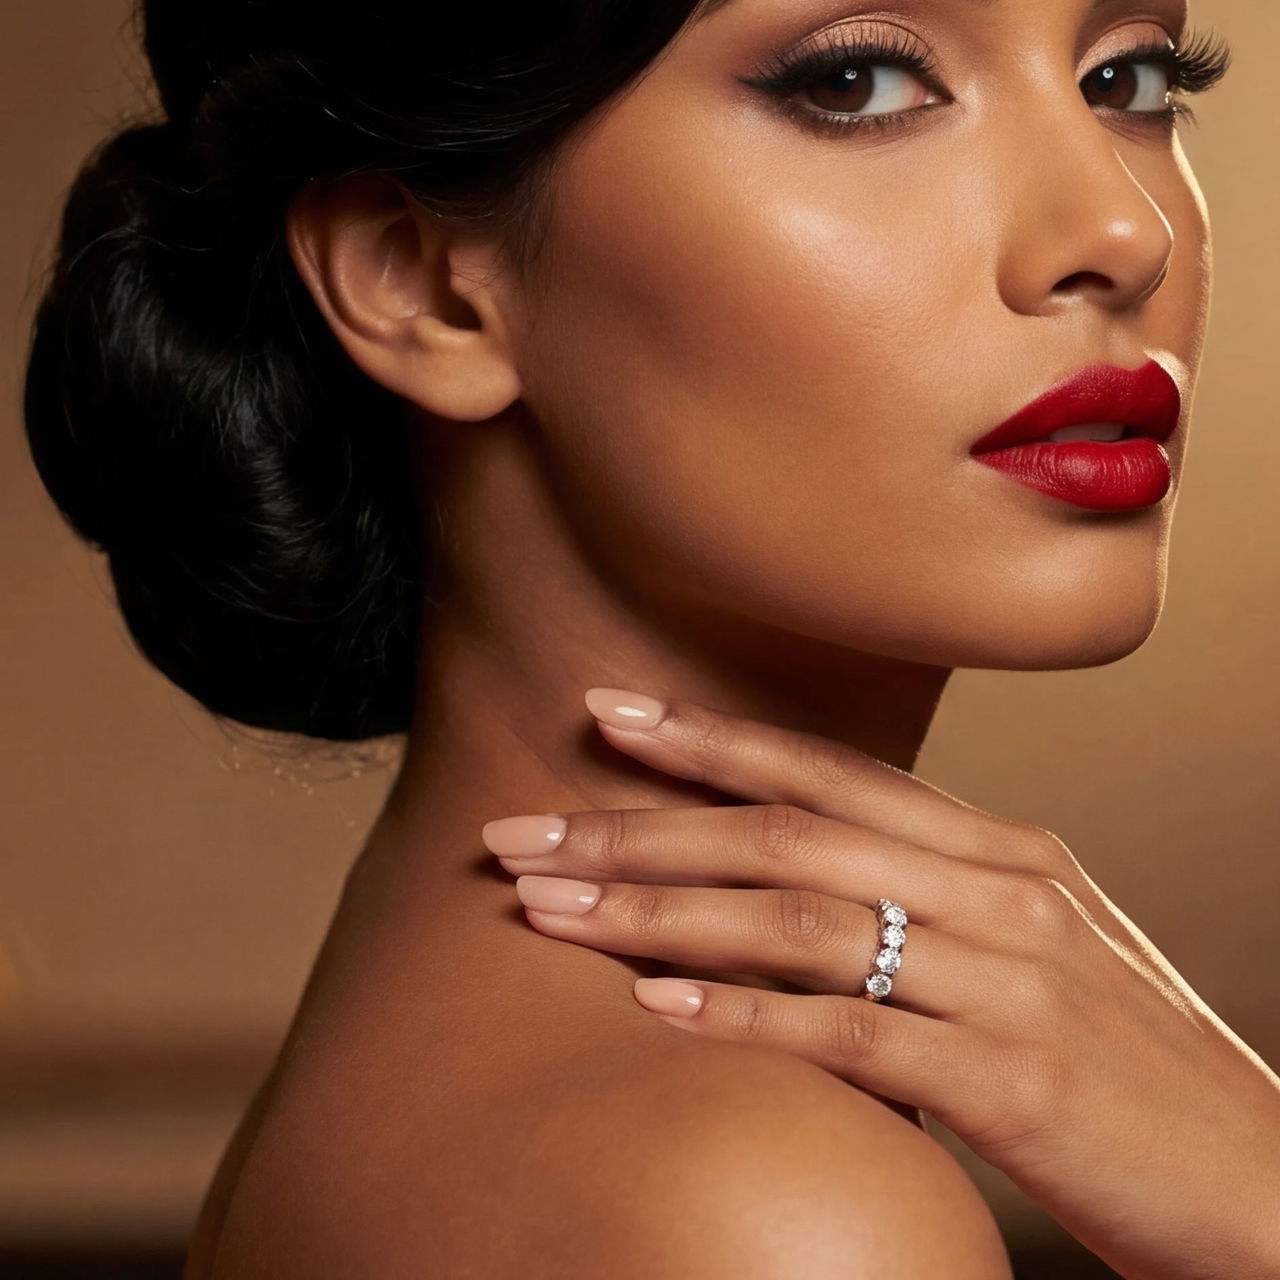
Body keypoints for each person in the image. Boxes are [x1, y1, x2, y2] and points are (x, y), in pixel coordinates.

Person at [24, 0, 1277, 1275]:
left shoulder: (462, 1070)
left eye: (1125, 76)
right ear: (421, 283)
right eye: (855, 81)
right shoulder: (756, 1207)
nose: (1124, 231)